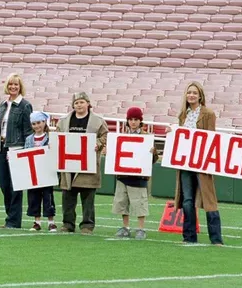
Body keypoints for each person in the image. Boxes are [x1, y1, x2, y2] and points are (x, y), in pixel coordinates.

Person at [173, 81, 223, 245]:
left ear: (200, 95)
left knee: (209, 199)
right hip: (186, 163)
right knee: (187, 199)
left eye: (194, 93)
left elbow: (211, 137)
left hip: (202, 162)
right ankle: (189, 236)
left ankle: (216, 238)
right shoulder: (183, 115)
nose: (191, 95)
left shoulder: (208, 113)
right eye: (189, 93)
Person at [56, 92, 108, 235]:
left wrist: (98, 144)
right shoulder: (64, 120)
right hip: (69, 163)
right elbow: (58, 137)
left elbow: (105, 135)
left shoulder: (98, 121)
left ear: (88, 104)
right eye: (76, 103)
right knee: (68, 197)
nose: (79, 105)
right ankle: (67, 224)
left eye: (82, 102)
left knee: (88, 197)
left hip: (88, 164)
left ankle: (87, 225)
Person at [112, 107, 158, 240]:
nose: (133, 122)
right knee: (122, 202)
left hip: (138, 177)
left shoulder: (147, 138)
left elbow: (153, 159)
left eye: (136, 119)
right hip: (123, 175)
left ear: (140, 121)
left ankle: (141, 228)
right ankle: (125, 226)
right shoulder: (121, 136)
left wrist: (153, 152)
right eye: (131, 119)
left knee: (139, 203)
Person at [0, 73, 33, 229]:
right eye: (10, 84)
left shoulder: (25, 105)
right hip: (1, 147)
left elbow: (28, 130)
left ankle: (13, 220)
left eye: (16, 85)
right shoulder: (3, 104)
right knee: (4, 185)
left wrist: (26, 150)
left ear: (20, 87)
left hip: (17, 148)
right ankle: (9, 217)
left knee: (15, 187)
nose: (13, 87)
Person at [24, 111, 57, 232]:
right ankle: (36, 221)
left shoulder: (51, 138)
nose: (36, 126)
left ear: (44, 122)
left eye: (39, 123)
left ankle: (51, 222)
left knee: (48, 196)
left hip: (47, 172)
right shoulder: (29, 139)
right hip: (33, 173)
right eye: (34, 123)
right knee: (33, 197)